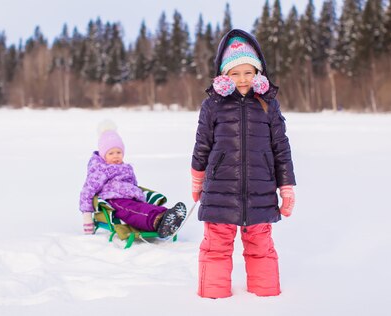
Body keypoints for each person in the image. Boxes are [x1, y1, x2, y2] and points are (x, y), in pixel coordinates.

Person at [190, 29, 296, 298]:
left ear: (258, 73)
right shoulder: (213, 105)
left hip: (260, 190)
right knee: (216, 245)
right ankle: (213, 299)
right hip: (219, 190)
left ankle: (266, 295)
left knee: (261, 245)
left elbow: (280, 147)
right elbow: (202, 145)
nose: (242, 79)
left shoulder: (268, 104)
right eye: (235, 74)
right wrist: (197, 181)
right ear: (224, 76)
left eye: (248, 72)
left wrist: (286, 187)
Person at [80, 121, 187, 238]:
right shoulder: (100, 170)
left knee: (143, 207)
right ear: (103, 155)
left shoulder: (126, 168)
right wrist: (87, 215)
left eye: (118, 152)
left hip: (132, 197)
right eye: (111, 153)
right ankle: (157, 221)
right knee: (134, 210)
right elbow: (87, 191)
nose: (116, 155)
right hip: (114, 200)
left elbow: (134, 184)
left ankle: (166, 215)